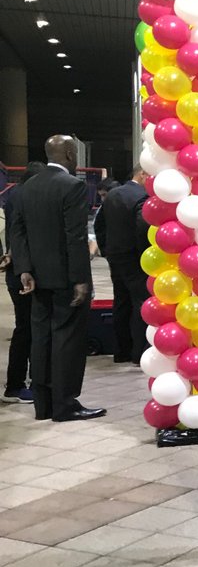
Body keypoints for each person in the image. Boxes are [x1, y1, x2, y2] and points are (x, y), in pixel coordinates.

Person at [10, 136, 105, 421]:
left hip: (37, 278)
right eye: (74, 151)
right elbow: (74, 236)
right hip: (65, 278)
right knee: (67, 341)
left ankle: (43, 404)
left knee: (41, 338)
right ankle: (65, 404)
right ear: (67, 153)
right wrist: (80, 280)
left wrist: (24, 270)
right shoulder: (72, 186)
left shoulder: (26, 188)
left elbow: (18, 232)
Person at [95, 167, 150, 364]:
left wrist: (106, 250)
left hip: (115, 257)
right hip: (134, 259)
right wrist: (145, 255)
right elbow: (142, 228)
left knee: (121, 301)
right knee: (140, 303)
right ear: (142, 174)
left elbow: (98, 225)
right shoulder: (143, 197)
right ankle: (138, 352)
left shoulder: (112, 195)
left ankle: (121, 351)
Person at [2, 162, 45, 403]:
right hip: (21, 274)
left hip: (17, 271)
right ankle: (15, 386)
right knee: (25, 330)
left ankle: (23, 382)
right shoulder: (24, 197)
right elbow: (20, 237)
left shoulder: (15, 196)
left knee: (26, 328)